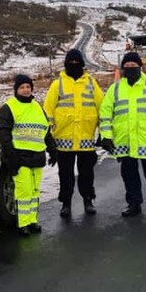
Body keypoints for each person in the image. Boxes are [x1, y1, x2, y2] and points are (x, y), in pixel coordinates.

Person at [99, 52, 146, 221]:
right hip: (124, 141)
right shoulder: (115, 88)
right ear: (122, 68)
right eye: (127, 66)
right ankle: (134, 204)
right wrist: (107, 136)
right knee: (129, 175)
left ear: (140, 67)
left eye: (134, 66)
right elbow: (106, 113)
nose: (130, 69)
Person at [44, 49, 103, 218]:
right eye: (71, 63)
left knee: (87, 174)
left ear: (82, 64)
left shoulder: (91, 83)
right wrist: (49, 139)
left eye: (77, 63)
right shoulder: (57, 84)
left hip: (86, 139)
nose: (74, 66)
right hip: (64, 140)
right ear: (66, 64)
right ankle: (66, 203)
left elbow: (102, 109)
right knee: (65, 175)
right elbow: (48, 111)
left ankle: (88, 200)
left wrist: (103, 133)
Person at [0, 74, 57, 235]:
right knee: (24, 191)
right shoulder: (9, 107)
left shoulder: (37, 107)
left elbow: (46, 132)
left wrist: (53, 150)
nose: (25, 90)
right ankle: (23, 224)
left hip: (37, 157)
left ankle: (32, 221)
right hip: (19, 158)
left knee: (35, 191)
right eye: (22, 87)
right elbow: (3, 133)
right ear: (16, 89)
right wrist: (10, 156)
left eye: (28, 87)